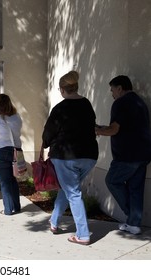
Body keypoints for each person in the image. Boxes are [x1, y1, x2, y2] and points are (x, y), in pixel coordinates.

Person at [42, 70, 98, 245]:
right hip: (89, 156)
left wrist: (44, 145)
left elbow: (48, 133)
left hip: (65, 156)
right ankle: (54, 222)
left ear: (62, 89)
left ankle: (83, 234)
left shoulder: (60, 108)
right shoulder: (87, 104)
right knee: (68, 189)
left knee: (73, 192)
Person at [95, 75, 151, 235]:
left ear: (120, 88)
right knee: (135, 188)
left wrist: (97, 131)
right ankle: (134, 225)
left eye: (112, 90)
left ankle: (132, 215)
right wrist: (102, 127)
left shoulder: (120, 103)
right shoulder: (140, 102)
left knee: (112, 180)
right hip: (143, 154)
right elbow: (124, 127)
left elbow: (114, 129)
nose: (111, 94)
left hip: (127, 156)